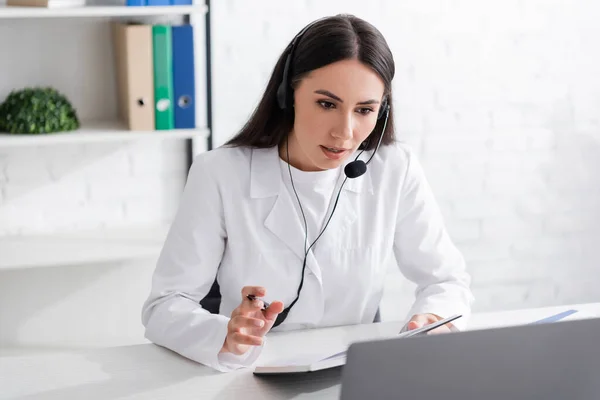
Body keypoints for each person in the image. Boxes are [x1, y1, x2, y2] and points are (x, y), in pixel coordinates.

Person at [141, 14, 474, 372]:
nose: (344, 133)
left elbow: (446, 279)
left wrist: (433, 317)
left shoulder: (395, 167)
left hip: (354, 374)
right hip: (249, 373)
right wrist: (225, 334)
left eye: (364, 110)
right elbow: (164, 305)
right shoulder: (221, 174)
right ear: (289, 96)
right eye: (327, 104)